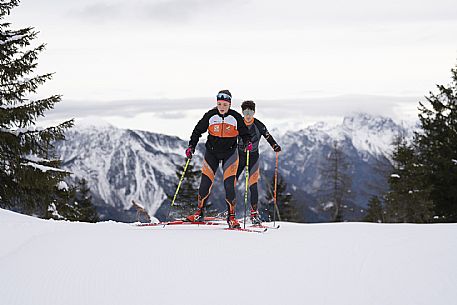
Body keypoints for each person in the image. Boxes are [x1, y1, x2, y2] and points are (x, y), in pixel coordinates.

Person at [185, 90, 252, 228]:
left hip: (230, 154)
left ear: (229, 104)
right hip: (212, 153)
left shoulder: (235, 117)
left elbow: (245, 134)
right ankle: (199, 213)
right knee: (205, 184)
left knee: (229, 185)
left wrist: (247, 143)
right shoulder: (210, 115)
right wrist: (191, 146)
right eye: (219, 104)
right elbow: (197, 131)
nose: (222, 107)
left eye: (225, 104)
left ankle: (231, 217)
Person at [236, 100, 281, 224]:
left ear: (254, 112)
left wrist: (275, 146)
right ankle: (230, 213)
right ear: (242, 112)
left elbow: (267, 136)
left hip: (253, 157)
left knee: (253, 185)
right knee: (230, 182)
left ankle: (254, 214)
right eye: (245, 112)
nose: (248, 115)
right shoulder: (238, 124)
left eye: (250, 111)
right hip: (239, 157)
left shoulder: (259, 125)